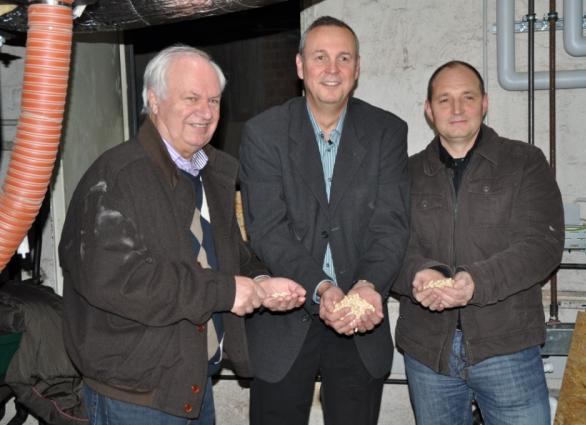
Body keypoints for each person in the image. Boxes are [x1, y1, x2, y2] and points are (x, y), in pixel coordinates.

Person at [59, 45, 306, 425]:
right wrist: (226, 291)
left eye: (213, 100)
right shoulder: (117, 177)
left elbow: (230, 254)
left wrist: (259, 280)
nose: (205, 112)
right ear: (154, 101)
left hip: (191, 383)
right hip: (135, 395)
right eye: (191, 98)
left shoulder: (209, 173)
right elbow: (122, 281)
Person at [239, 16, 410, 425]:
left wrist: (368, 285)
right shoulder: (264, 133)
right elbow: (268, 229)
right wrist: (322, 287)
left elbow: (391, 224)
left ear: (357, 68)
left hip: (359, 317)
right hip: (285, 320)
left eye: (343, 58)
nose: (332, 69)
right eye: (320, 57)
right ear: (300, 66)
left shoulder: (387, 131)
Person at [393, 60, 564, 425]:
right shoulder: (405, 174)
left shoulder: (524, 162)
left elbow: (542, 245)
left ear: (484, 103)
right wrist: (419, 273)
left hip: (507, 346)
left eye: (467, 97)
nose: (457, 109)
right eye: (444, 99)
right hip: (428, 352)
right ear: (429, 110)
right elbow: (386, 247)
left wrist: (476, 281)